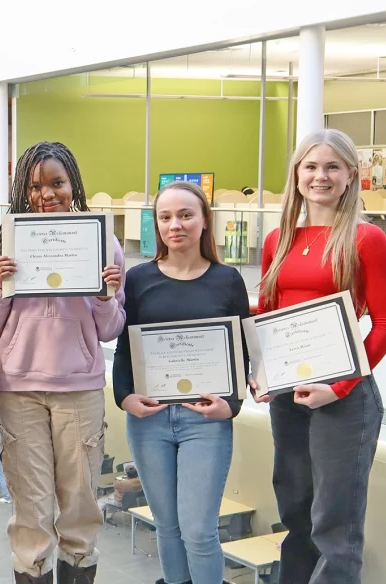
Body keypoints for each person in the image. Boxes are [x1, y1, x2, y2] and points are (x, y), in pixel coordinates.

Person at [254, 128, 386, 584]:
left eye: (332, 166)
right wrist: (261, 371)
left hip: (345, 396)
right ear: (297, 174)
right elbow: (268, 313)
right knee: (296, 514)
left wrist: (337, 386)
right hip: (289, 395)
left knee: (335, 525)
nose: (321, 176)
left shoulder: (366, 238)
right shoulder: (278, 238)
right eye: (311, 166)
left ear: (350, 175)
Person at [0, 141, 125, 584]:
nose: (47, 194)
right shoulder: (8, 243)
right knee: (32, 509)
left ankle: (78, 569)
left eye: (57, 183)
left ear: (73, 184)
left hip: (79, 388)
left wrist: (104, 297)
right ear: (24, 191)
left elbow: (111, 328)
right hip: (19, 389)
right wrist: (1, 285)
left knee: (80, 506)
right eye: (36, 186)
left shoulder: (104, 242)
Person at [112, 181, 250, 584]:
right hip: (149, 419)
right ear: (156, 225)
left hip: (205, 421)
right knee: (167, 528)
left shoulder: (227, 280)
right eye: (166, 217)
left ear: (205, 221)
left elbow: (240, 352)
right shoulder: (137, 279)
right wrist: (124, 398)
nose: (176, 225)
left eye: (186, 215)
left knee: (198, 531)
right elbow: (125, 347)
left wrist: (233, 405)